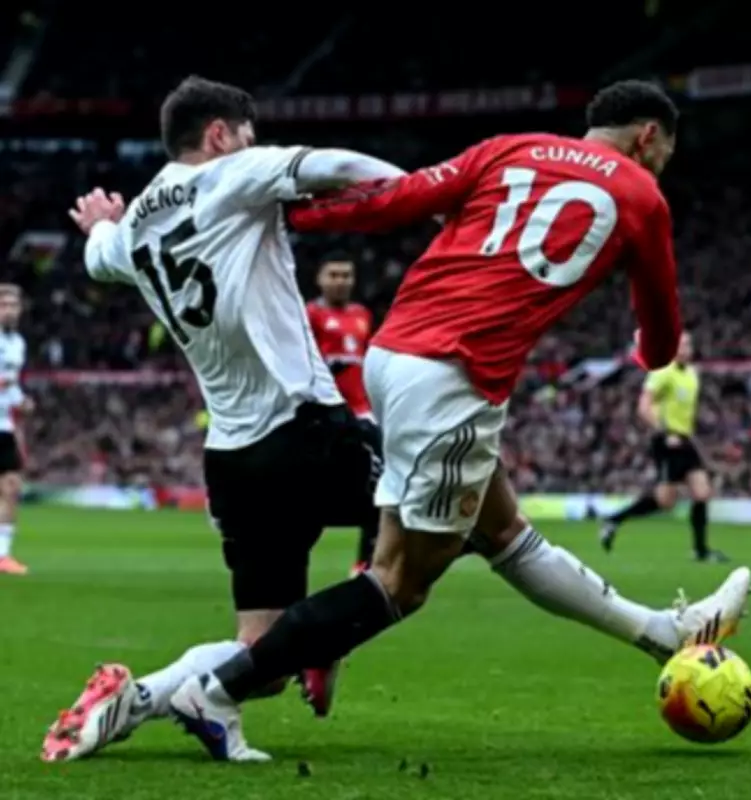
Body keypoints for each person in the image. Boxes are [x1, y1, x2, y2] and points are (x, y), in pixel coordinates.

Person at [167, 80, 751, 762]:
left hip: (392, 354)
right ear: (647, 137)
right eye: (661, 155)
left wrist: (298, 221)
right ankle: (218, 690)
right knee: (398, 584)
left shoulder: (510, 147)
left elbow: (398, 198)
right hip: (455, 374)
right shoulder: (641, 195)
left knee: (504, 532)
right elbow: (658, 342)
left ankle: (665, 631)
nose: (656, 170)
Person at [41, 75, 403, 762]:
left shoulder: (140, 220)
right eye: (247, 133)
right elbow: (336, 166)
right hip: (303, 429)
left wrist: (102, 225)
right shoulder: (236, 173)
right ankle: (325, 638)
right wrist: (441, 200)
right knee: (445, 512)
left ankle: (135, 698)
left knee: (258, 653)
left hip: (233, 459)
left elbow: (97, 259)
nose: (252, 144)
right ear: (219, 135)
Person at [600, 331, 726, 561]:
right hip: (667, 441)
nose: (687, 348)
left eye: (689, 343)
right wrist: (663, 431)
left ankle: (701, 551)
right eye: (683, 344)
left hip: (685, 440)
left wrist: (689, 437)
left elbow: (685, 414)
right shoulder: (662, 372)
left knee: (702, 493)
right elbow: (644, 406)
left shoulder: (692, 375)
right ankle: (614, 519)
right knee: (665, 501)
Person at [307, 253, 379, 575]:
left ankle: (365, 563)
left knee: (380, 485)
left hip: (362, 412)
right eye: (334, 274)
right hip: (323, 414)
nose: (341, 281)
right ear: (320, 279)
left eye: (346, 275)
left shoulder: (362, 315)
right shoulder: (309, 314)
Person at [0, 285, 32, 576]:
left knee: (11, 487)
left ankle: (2, 555)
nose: (10, 309)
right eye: (4, 304)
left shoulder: (18, 343)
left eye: (14, 304)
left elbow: (11, 383)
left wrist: (21, 400)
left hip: (4, 426)